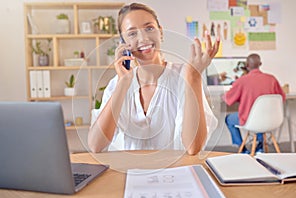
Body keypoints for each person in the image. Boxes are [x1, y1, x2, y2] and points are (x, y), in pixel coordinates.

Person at [88, 3, 220, 154]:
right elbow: (96, 145)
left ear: (160, 33)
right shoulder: (117, 83)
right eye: (132, 33)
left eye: (149, 28)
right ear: (123, 43)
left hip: (177, 173)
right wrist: (123, 84)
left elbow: (193, 147)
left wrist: (194, 77)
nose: (143, 38)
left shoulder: (186, 76)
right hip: (130, 173)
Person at [223, 53, 286, 153]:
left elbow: (228, 99)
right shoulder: (272, 79)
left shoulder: (242, 81)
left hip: (250, 120)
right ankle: (260, 146)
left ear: (247, 65)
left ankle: (242, 148)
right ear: (260, 63)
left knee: (228, 119)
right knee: (260, 119)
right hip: (270, 120)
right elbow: (282, 97)